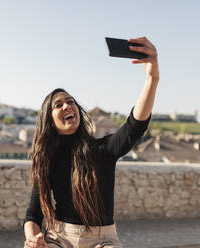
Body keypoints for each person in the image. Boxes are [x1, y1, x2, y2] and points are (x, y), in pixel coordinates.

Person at [23, 36, 159, 248]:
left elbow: (135, 126)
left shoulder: (103, 150)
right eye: (58, 105)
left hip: (102, 240)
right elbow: (32, 214)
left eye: (70, 102)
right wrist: (32, 238)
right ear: (48, 119)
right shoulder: (47, 159)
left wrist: (152, 79)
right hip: (58, 238)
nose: (67, 106)